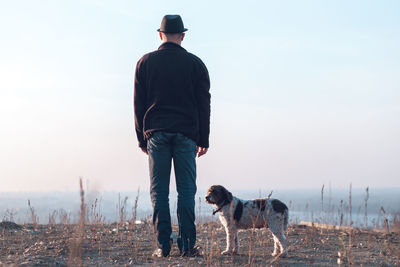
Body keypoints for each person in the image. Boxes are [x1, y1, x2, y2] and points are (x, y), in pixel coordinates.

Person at [134, 14, 211, 257]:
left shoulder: (145, 63)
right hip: (187, 134)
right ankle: (188, 246)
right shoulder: (196, 64)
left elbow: (138, 104)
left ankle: (163, 246)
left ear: (160, 35)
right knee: (186, 191)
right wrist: (204, 139)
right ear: (183, 36)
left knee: (159, 192)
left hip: (156, 133)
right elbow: (203, 105)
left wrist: (141, 137)